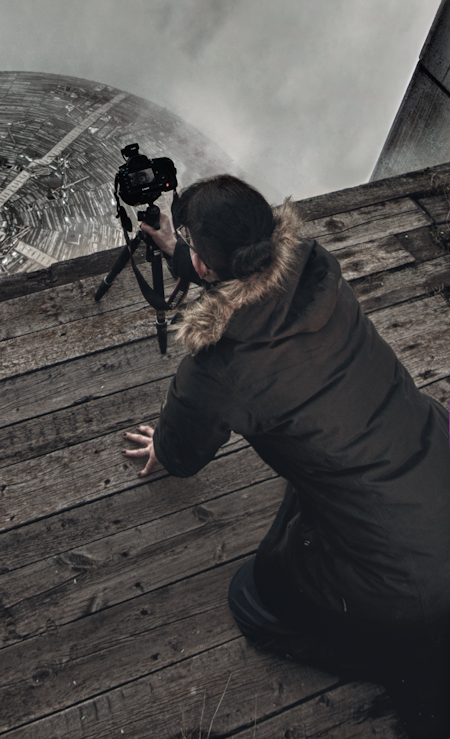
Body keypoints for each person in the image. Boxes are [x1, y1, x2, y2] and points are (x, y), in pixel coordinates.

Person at [123, 175, 450, 739]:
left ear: (208, 265)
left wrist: (165, 449)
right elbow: (245, 280)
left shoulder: (217, 369)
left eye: (191, 245)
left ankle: (401, 659)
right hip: (434, 458)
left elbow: (183, 452)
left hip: (407, 581)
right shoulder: (316, 270)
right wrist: (182, 253)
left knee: (254, 598)